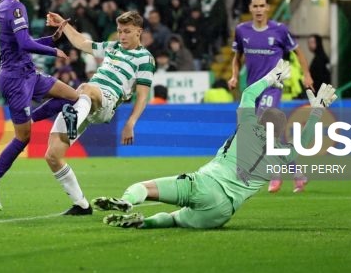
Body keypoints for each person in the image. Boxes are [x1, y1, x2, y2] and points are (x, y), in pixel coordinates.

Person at [94, 60, 337, 230]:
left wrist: (269, 79)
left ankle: (127, 201)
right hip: (222, 213)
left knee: (143, 187)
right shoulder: (281, 153)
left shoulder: (248, 126)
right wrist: (316, 112)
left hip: (206, 184)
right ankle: (144, 223)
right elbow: (304, 144)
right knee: (175, 219)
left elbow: (248, 95)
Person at [0, 0, 79, 210]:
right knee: (23, 138)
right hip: (15, 79)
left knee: (73, 97)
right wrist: (54, 50)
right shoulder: (15, 7)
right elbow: (24, 42)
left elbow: (23, 43)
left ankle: (31, 117)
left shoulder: (0, 8)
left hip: (27, 72)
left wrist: (53, 38)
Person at [37, 10, 154, 215]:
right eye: (119, 31)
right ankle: (81, 205)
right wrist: (63, 25)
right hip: (86, 102)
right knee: (52, 155)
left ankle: (74, 117)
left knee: (84, 87)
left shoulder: (145, 58)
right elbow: (82, 43)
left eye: (127, 31)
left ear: (139, 31)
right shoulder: (113, 47)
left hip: (107, 100)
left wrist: (130, 122)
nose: (122, 36)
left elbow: (143, 95)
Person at [229, 0, 314, 193]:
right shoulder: (242, 30)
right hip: (252, 90)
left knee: (263, 128)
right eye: (255, 6)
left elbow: (298, 52)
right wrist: (234, 76)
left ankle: (274, 174)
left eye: (262, 6)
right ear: (250, 8)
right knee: (271, 135)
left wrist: (307, 75)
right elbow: (236, 56)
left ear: (268, 8)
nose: (258, 10)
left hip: (273, 87)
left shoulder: (279, 30)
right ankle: (297, 173)